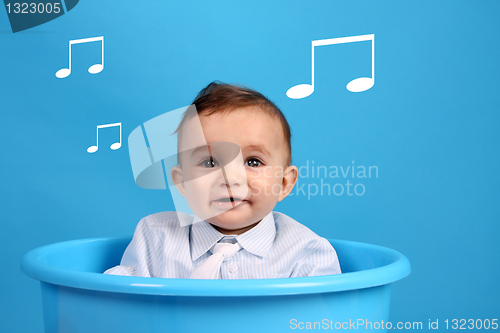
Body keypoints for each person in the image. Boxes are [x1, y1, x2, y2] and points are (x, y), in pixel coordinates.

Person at [105, 82, 341, 279]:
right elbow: (119, 307)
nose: (230, 178)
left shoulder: (308, 252)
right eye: (209, 162)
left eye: (253, 162)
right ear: (181, 182)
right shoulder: (154, 237)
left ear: (284, 184)